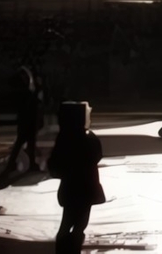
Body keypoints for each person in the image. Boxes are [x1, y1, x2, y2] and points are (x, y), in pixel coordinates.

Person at [48, 100, 106, 254]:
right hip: (87, 186)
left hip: (70, 187)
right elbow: (97, 156)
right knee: (79, 224)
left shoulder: (64, 137)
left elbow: (54, 164)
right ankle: (72, 250)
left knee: (67, 224)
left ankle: (63, 250)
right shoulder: (89, 138)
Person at [3, 66, 43, 175]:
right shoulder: (25, 91)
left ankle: (24, 164)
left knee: (27, 142)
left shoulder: (24, 90)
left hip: (27, 119)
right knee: (23, 142)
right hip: (27, 119)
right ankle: (15, 164)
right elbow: (30, 103)